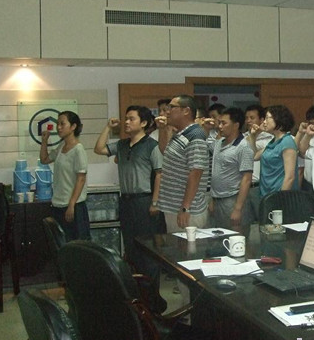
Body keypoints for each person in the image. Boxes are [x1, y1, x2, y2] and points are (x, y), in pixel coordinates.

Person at [93, 105, 165, 312]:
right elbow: (99, 149)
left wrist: (155, 202)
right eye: (126, 118)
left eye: (131, 119)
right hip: (126, 201)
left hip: (144, 201)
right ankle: (137, 298)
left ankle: (153, 301)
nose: (126, 122)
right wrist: (108, 127)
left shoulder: (151, 146)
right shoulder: (122, 144)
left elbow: (159, 174)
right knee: (131, 250)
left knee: (147, 251)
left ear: (144, 123)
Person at [156, 95, 209, 232]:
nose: (167, 111)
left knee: (188, 246)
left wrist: (185, 207)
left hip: (188, 211)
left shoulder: (196, 136)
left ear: (186, 111)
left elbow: (196, 172)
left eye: (172, 107)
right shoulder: (181, 133)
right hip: (174, 207)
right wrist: (162, 129)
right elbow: (165, 150)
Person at [40, 111, 90, 242]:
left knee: (77, 245)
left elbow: (81, 179)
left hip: (73, 206)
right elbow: (44, 159)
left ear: (73, 126)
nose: (58, 127)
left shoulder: (78, 149)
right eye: (58, 124)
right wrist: (44, 141)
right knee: (61, 244)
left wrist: (71, 205)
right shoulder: (62, 146)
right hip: (58, 204)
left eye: (62, 124)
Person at [206, 107, 254, 233]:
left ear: (236, 125)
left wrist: (238, 209)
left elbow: (247, 179)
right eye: (219, 123)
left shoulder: (243, 147)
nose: (220, 126)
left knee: (236, 239)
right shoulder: (218, 143)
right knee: (217, 238)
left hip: (233, 200)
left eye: (224, 123)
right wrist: (212, 199)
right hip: (217, 200)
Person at [248, 105, 299, 209]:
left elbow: (290, 177)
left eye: (267, 118)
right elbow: (255, 156)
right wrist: (253, 136)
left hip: (280, 197)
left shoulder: (287, 142)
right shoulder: (273, 141)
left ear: (278, 119)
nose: (264, 122)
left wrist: (280, 200)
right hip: (266, 194)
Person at [244, 104, 274, 221]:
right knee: (245, 223)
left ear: (262, 120)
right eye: (247, 118)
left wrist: (258, 133)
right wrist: (252, 136)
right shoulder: (242, 138)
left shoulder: (271, 138)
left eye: (252, 118)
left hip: (260, 187)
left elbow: (255, 156)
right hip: (243, 186)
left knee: (264, 221)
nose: (248, 121)